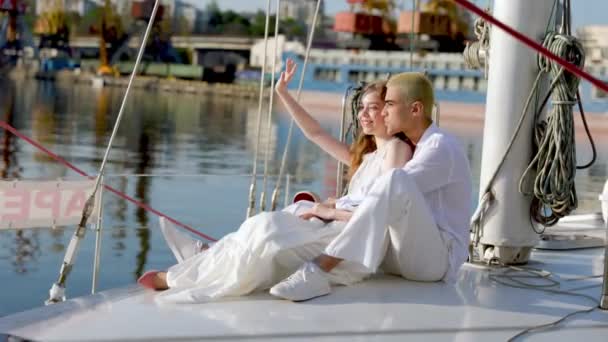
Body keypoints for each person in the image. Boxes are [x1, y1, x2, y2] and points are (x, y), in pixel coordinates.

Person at [136, 60, 413, 302]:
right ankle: (204, 256)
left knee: (268, 231)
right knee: (260, 225)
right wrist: (283, 93)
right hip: (330, 226)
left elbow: (379, 213)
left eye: (373, 108)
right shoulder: (366, 157)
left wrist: (326, 210)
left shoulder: (397, 149)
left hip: (349, 244)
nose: (363, 114)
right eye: (362, 107)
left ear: (390, 110)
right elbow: (315, 133)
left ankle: (181, 274)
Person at [269, 72, 473, 302]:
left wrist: (333, 207)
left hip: (435, 262)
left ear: (415, 109)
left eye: (389, 105)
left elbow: (388, 191)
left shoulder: (440, 147)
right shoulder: (416, 149)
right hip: (399, 254)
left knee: (395, 179)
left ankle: (319, 269)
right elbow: (380, 199)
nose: (384, 112)